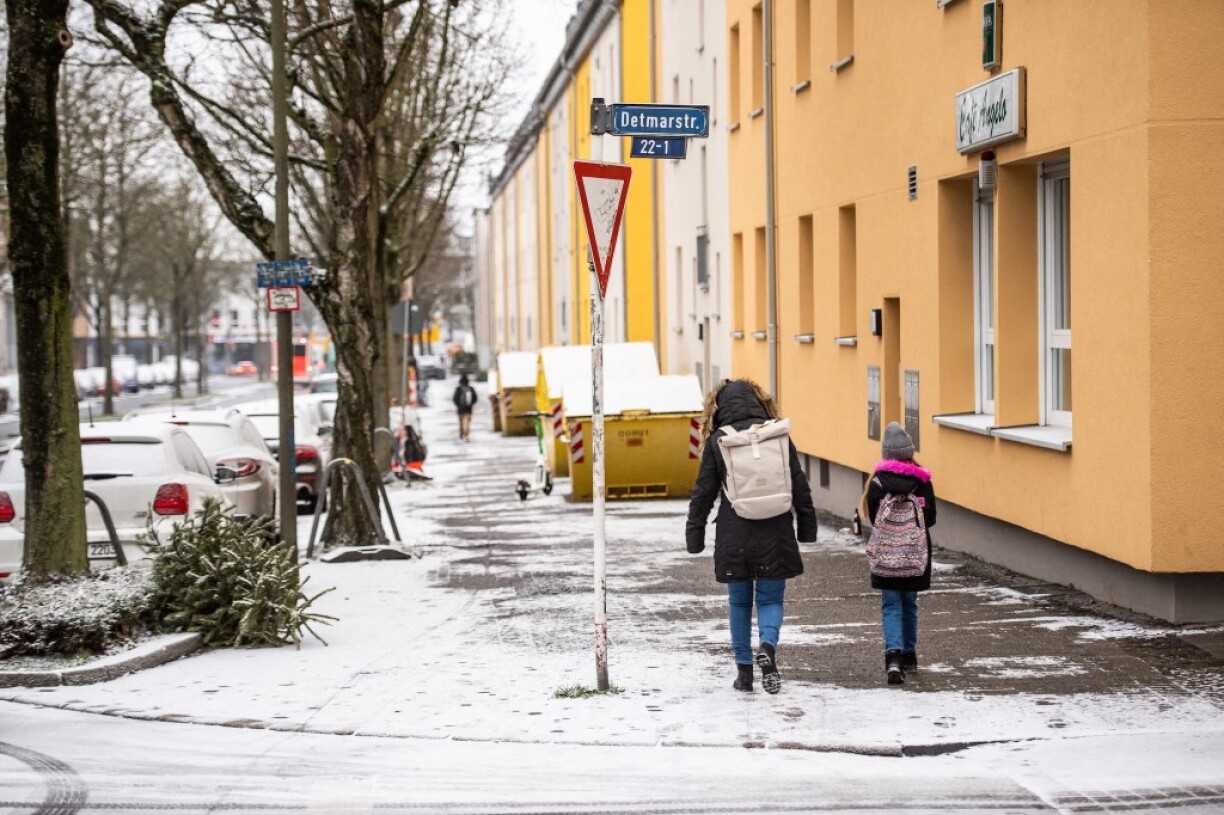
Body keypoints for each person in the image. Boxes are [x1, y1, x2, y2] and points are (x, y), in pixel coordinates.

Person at [685, 379, 818, 694]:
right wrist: (807, 527)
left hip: (735, 531)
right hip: (776, 529)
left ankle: (744, 673)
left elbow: (703, 491)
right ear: (760, 402)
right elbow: (798, 483)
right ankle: (768, 647)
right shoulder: (777, 436)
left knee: (739, 603)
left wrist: (695, 533)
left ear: (718, 408)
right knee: (771, 598)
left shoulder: (720, 440)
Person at [863, 422, 937, 686]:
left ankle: (892, 657)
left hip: (886, 555)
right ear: (909, 451)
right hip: (915, 554)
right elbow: (931, 518)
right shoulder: (921, 482)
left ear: (885, 454)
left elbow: (873, 518)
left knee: (891, 604)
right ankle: (909, 654)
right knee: (910, 603)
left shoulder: (877, 483)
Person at [452, 374, 477, 441]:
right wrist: (471, 404)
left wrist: (458, 405)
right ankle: (466, 434)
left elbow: (455, 398)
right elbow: (475, 398)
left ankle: (462, 433)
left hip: (460, 409)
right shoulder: (471, 389)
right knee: (467, 422)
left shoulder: (458, 389)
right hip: (468, 409)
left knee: (461, 422)